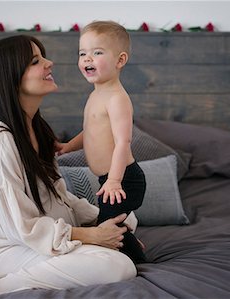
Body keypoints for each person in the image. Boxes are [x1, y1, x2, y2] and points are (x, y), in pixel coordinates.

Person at [0, 34, 138, 298]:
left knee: (127, 219)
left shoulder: (35, 129)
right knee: (118, 265)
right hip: (2, 252)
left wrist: (104, 220)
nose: (50, 63)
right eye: (36, 60)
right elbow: (20, 225)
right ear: (10, 77)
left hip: (36, 242)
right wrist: (92, 237)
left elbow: (56, 198)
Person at [55, 21, 146, 264]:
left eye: (97, 52)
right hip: (109, 180)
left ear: (120, 60)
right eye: (82, 53)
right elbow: (90, 132)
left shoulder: (117, 98)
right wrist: (67, 147)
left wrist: (115, 180)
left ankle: (138, 261)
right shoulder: (96, 94)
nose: (87, 59)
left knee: (108, 226)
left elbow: (123, 142)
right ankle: (130, 242)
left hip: (125, 179)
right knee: (107, 221)